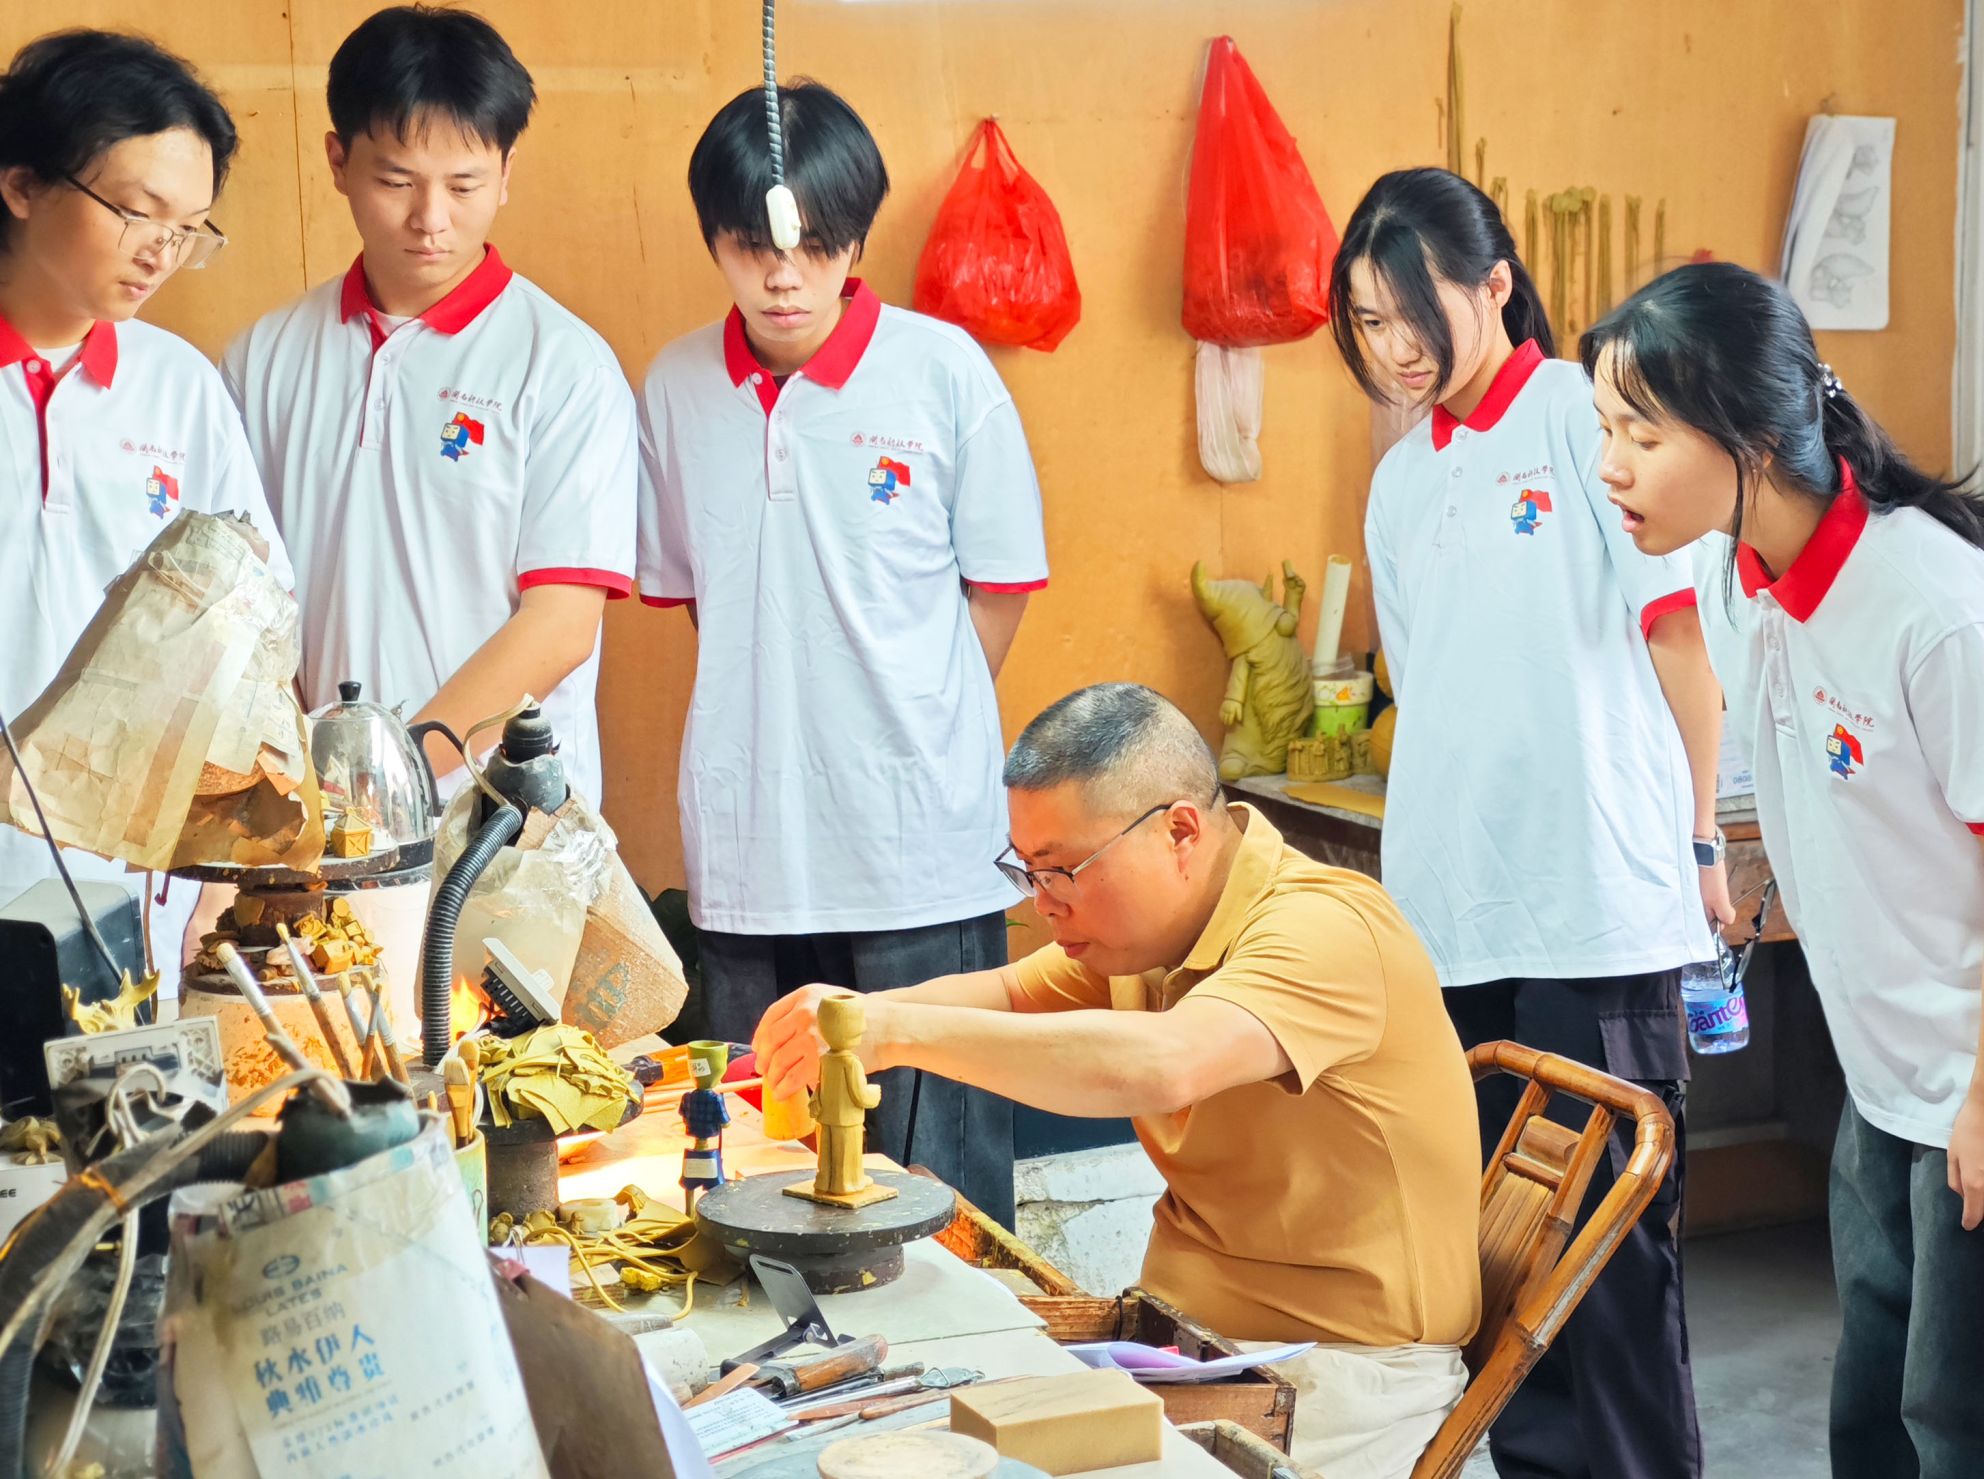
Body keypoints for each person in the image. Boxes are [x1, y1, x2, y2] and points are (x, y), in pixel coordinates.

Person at [753, 683, 1481, 1479]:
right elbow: (1007, 995)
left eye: (1062, 870)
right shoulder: (1148, 941)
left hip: (1342, 1372)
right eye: (1028, 871)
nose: (1045, 904)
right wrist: (851, 1017)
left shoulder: (1326, 927)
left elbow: (1167, 1062)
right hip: (1173, 1341)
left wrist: (899, 1032)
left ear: (1179, 831)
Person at [1584, 261, 1984, 1479]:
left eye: (1640, 434)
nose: (1609, 466)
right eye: (1603, 429)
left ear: (1745, 438)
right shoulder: (1731, 577)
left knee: (1971, 1430)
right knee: (1871, 1416)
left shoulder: (1935, 606)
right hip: (1885, 1076)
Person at [1329, 167, 1725, 1478]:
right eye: (1367, 320)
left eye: (1412, 311)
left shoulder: (1579, 416)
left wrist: (1701, 842)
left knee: (1606, 1268)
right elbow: (1433, 694)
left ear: (1495, 283)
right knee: (1498, 1276)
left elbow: (1679, 639)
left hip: (1592, 914)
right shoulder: (1400, 481)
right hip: (1453, 923)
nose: (1393, 346)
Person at [637, 81, 1047, 1224]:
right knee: (760, 1183)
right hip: (748, 849)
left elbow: (999, 593)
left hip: (920, 850)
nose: (784, 276)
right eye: (753, 246)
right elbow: (704, 600)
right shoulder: (673, 387)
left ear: (856, 241)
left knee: (942, 1193)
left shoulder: (941, 372)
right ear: (714, 239)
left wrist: (905, 720)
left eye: (816, 247)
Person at [222, 5, 634, 804]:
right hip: (323, 817)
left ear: (506, 172)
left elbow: (559, 624)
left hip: (502, 824)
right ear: (338, 161)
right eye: (396, 181)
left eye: (464, 184)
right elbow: (250, 605)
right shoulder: (262, 360)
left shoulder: (563, 366)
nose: (430, 219)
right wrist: (319, 788)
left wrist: (391, 775)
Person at [0, 29, 290, 975]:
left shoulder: (180, 389)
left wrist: (219, 877)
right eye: (137, 212)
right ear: (22, 183)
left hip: (131, 893)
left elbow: (249, 636)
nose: (163, 251)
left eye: (190, 227)